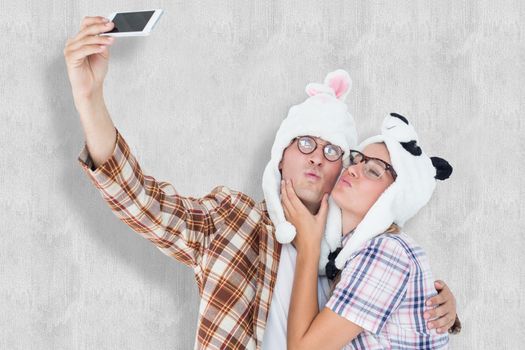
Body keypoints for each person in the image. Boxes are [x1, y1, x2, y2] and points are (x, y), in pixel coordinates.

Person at [63, 16, 458, 350]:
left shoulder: (354, 251)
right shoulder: (233, 221)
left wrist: (441, 311)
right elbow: (141, 201)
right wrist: (89, 98)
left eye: (334, 151)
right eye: (305, 143)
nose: (318, 156)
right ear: (281, 158)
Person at [283, 113, 461, 349]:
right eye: (356, 160)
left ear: (393, 197)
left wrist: (309, 246)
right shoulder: (344, 252)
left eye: (373, 171)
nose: (353, 170)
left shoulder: (386, 250)